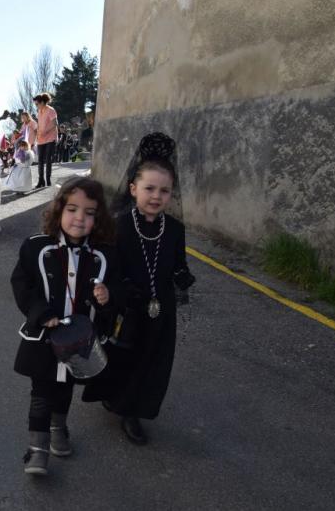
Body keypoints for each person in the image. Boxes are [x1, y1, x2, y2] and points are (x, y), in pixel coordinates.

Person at [82, 132, 195, 445]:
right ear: (133, 189)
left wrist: (181, 281)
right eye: (149, 188)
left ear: (172, 194)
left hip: (160, 308)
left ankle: (133, 411)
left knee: (151, 361)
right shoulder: (119, 224)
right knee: (122, 358)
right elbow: (105, 264)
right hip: (125, 305)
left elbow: (177, 264)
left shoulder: (174, 229)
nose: (156, 196)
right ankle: (117, 400)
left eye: (164, 190)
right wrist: (109, 293)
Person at [11, 177, 120, 475]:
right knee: (41, 392)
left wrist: (107, 297)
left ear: (98, 219)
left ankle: (59, 428)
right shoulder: (36, 248)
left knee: (65, 389)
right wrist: (41, 312)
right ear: (59, 210)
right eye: (72, 209)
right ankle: (37, 449)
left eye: (89, 213)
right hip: (43, 340)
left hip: (79, 343)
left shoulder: (105, 255)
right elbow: (22, 285)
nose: (79, 218)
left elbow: (117, 293)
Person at [33, 93, 58, 189]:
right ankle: (41, 180)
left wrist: (44, 132)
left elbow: (54, 123)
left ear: (42, 102)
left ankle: (48, 180)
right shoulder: (39, 112)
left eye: (37, 104)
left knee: (48, 159)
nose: (36, 106)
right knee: (40, 160)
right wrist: (38, 134)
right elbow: (39, 125)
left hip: (50, 138)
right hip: (41, 139)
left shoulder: (51, 110)